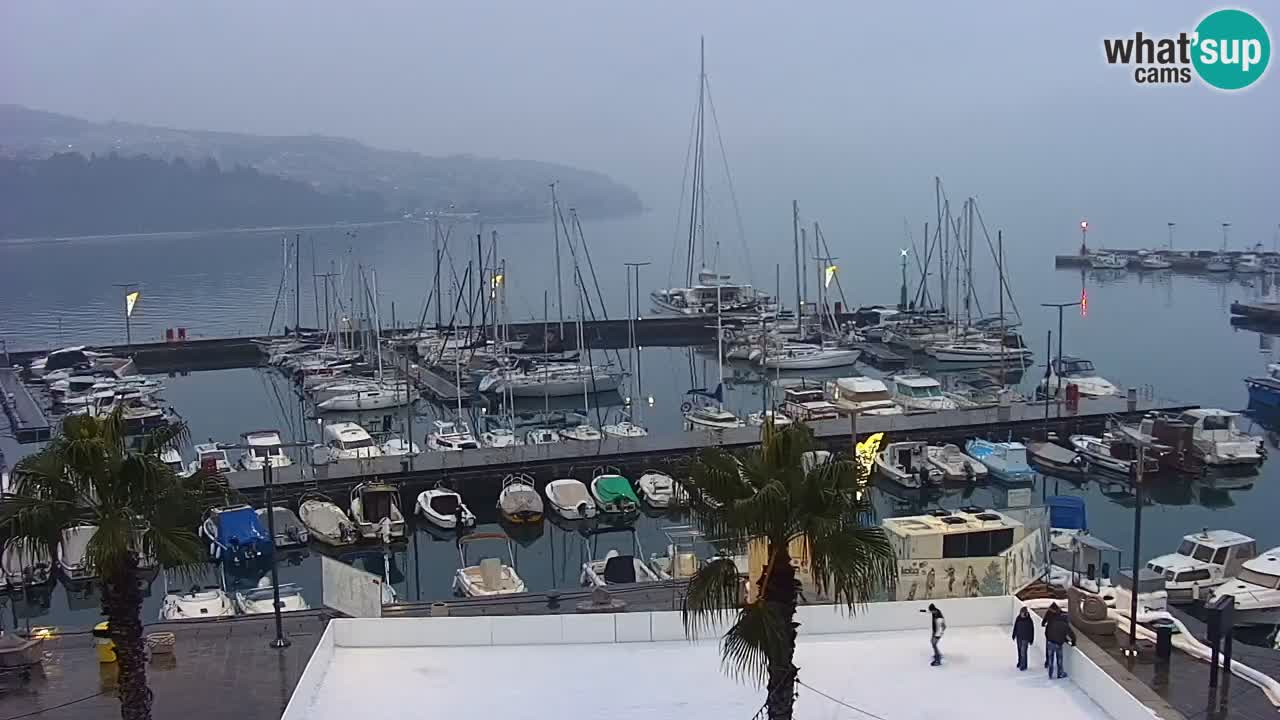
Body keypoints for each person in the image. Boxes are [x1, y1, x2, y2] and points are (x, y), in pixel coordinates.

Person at [1044, 609, 1077, 679]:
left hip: (1050, 643)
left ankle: (1050, 673)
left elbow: (1046, 631)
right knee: (1059, 659)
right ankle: (1060, 673)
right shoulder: (1065, 625)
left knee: (1050, 659)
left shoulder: (1052, 621)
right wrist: (1073, 643)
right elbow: (1072, 635)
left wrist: (1049, 638)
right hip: (1058, 644)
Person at [1012, 607, 1036, 671]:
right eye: (1021, 612)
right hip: (1019, 637)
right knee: (1019, 651)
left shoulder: (1029, 620)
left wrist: (1031, 639)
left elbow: (1032, 630)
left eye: (1022, 613)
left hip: (1025, 638)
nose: (1021, 614)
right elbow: (1015, 627)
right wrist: (1014, 635)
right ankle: (1020, 662)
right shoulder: (1018, 618)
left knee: (1023, 652)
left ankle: (1024, 665)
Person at [1041, 602, 1060, 668]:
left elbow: (1043, 622)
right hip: (1057, 634)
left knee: (1048, 649)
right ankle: (1058, 665)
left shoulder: (1048, 613)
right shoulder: (1060, 613)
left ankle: (1048, 662)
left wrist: (1044, 624)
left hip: (1049, 634)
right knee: (1058, 651)